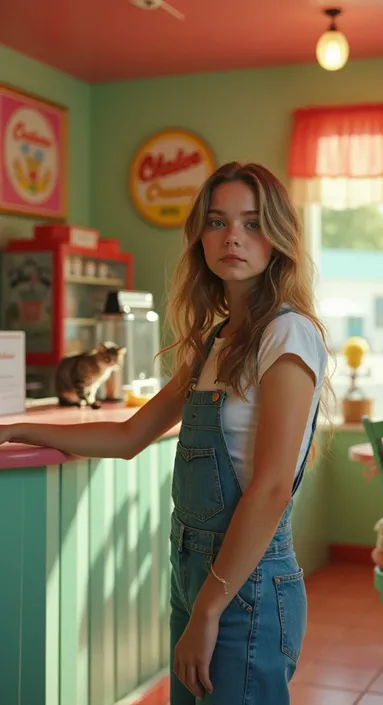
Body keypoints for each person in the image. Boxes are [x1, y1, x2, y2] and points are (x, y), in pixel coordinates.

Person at [0, 162, 329, 704]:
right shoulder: (216, 340)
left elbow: (271, 489)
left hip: (243, 585)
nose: (233, 238)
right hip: (194, 575)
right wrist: (18, 427)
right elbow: (130, 435)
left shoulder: (288, 334)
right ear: (200, 236)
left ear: (279, 237)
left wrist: (207, 610)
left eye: (252, 223)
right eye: (218, 222)